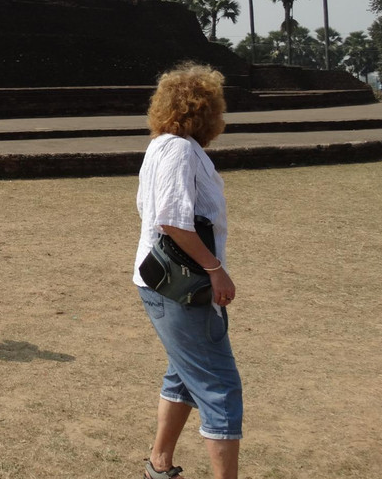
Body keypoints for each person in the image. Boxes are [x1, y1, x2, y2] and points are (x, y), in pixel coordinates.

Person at [134, 64, 242, 479]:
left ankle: (159, 463)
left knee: (183, 373)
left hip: (161, 281)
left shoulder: (161, 146)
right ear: (207, 112)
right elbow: (172, 221)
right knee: (220, 387)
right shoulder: (179, 150)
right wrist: (216, 269)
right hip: (181, 287)